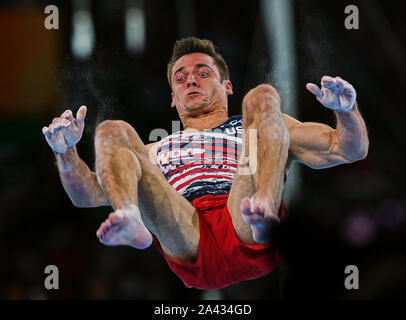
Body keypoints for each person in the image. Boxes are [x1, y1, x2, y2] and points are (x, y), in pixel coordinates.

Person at [42, 37, 369, 290]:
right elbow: (85, 195)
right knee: (110, 130)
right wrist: (65, 152)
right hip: (186, 232)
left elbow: (346, 149)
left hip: (244, 212)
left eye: (203, 73)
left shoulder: (257, 126)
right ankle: (130, 218)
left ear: (227, 86)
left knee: (261, 97)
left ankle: (264, 211)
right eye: (180, 78)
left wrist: (347, 110)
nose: (191, 81)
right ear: (172, 96)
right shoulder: (154, 149)